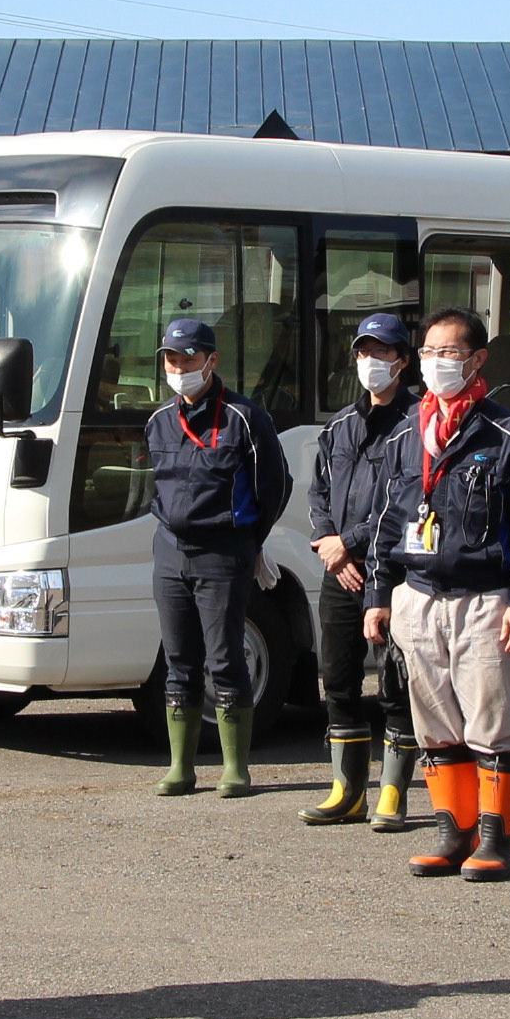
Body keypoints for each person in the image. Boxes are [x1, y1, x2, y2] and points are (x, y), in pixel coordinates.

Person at [362, 306, 510, 878]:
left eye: (451, 353)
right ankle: (453, 832)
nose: (438, 363)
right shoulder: (404, 434)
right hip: (419, 599)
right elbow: (386, 522)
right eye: (430, 353)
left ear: (477, 360)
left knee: (492, 722)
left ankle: (496, 840)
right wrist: (378, 595)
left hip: (487, 599)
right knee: (435, 724)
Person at [143, 314, 292, 801]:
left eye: (188, 357)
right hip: (170, 551)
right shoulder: (158, 420)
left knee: (225, 658)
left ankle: (235, 769)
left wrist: (251, 539)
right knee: (177, 660)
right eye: (171, 357)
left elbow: (276, 484)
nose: (179, 366)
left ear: (212, 360)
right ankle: (180, 768)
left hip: (223, 551)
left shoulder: (245, 418)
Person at [299, 311, 419, 827]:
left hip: (394, 573)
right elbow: (318, 492)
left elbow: (406, 501)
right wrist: (330, 545)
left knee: (396, 683)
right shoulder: (340, 427)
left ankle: (393, 792)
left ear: (403, 361)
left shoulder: (418, 424)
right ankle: (347, 790)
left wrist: (347, 545)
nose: (372, 362)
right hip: (339, 572)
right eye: (365, 352)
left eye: (384, 352)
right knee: (338, 678)